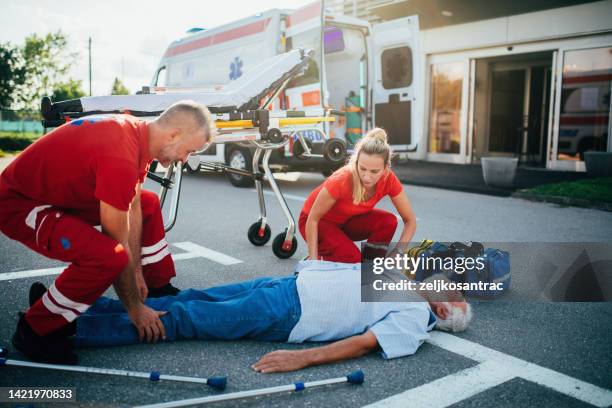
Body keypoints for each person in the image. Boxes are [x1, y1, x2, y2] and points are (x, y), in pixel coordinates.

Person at [0, 100, 215, 365]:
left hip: (54, 196)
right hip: (18, 204)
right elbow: (116, 241)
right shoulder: (120, 155)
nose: (185, 159)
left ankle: (160, 291)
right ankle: (34, 330)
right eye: (189, 151)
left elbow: (134, 205)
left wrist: (137, 271)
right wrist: (134, 308)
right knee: (108, 257)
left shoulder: (138, 135)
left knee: (147, 203)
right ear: (174, 135)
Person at [24, 261, 472, 372]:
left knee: (185, 320)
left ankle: (73, 331)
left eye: (450, 289)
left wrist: (301, 360)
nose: (443, 280)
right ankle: (70, 309)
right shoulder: (404, 280)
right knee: (188, 298)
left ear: (444, 309)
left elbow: (364, 343)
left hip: (290, 314)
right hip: (283, 286)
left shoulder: (416, 318)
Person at [300, 128, 416, 263]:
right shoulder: (341, 180)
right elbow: (313, 219)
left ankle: (370, 264)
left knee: (388, 222)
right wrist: (313, 260)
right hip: (316, 222)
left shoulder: (389, 180)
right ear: (356, 163)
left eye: (374, 171)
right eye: (362, 169)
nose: (367, 177)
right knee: (353, 259)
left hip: (345, 221)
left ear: (386, 168)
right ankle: (321, 257)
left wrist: (398, 253)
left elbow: (410, 220)